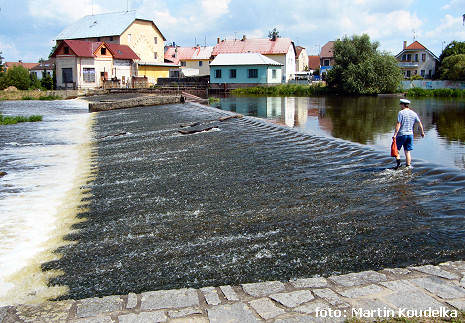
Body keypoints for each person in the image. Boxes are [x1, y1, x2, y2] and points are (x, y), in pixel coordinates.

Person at [392, 98, 425, 169]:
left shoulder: (401, 113)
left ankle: (398, 165)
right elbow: (420, 123)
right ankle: (408, 166)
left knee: (396, 149)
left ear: (403, 105)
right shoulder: (414, 113)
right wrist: (422, 132)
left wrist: (395, 134)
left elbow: (398, 124)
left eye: (401, 104)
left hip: (401, 134)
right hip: (410, 135)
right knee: (407, 152)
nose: (400, 106)